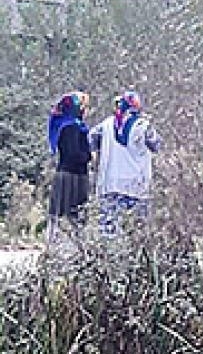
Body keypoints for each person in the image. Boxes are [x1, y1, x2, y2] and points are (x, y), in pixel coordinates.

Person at [88, 90, 162, 237]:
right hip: (137, 186)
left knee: (109, 233)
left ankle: (108, 258)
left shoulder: (106, 125)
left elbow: (90, 142)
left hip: (110, 183)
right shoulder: (144, 126)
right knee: (137, 233)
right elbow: (157, 146)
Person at [47, 91, 92, 241]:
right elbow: (73, 153)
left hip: (71, 174)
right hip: (71, 177)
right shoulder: (71, 127)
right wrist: (88, 156)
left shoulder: (72, 126)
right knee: (70, 214)